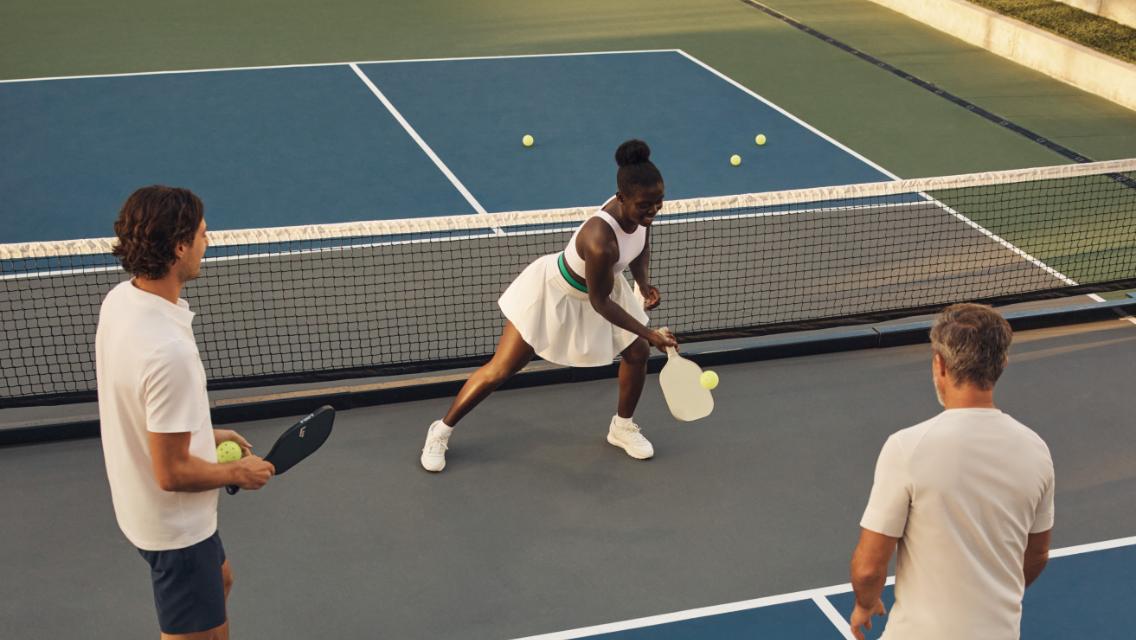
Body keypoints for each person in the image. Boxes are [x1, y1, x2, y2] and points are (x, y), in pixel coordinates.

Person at [420, 139, 679, 472]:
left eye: (659, 202)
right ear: (621, 198)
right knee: (502, 369)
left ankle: (622, 427)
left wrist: (642, 283)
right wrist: (650, 332)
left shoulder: (640, 211)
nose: (654, 211)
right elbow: (600, 304)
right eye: (646, 205)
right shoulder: (600, 241)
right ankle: (440, 430)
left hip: (602, 287)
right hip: (555, 294)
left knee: (637, 351)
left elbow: (641, 242)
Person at [97, 186, 276, 640]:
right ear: (179, 247)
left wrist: (202, 431)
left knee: (222, 579)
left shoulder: (121, 301)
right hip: (175, 530)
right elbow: (172, 472)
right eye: (201, 233)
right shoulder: (168, 352)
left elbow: (138, 403)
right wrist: (239, 472)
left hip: (142, 506)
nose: (207, 241)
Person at [849, 303, 1055, 640]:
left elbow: (870, 567)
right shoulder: (1037, 450)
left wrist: (865, 603)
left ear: (939, 365)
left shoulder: (907, 448)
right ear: (1001, 363)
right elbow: (1037, 554)